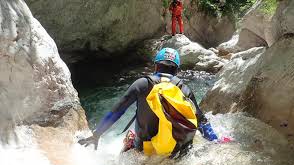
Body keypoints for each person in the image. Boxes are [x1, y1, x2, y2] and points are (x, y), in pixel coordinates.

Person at [78, 48, 218, 157]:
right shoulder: (184, 88)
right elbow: (201, 120)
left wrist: (97, 134)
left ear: (156, 66)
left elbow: (117, 111)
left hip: (143, 148)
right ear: (176, 70)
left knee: (130, 137)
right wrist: (215, 141)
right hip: (173, 149)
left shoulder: (141, 84)